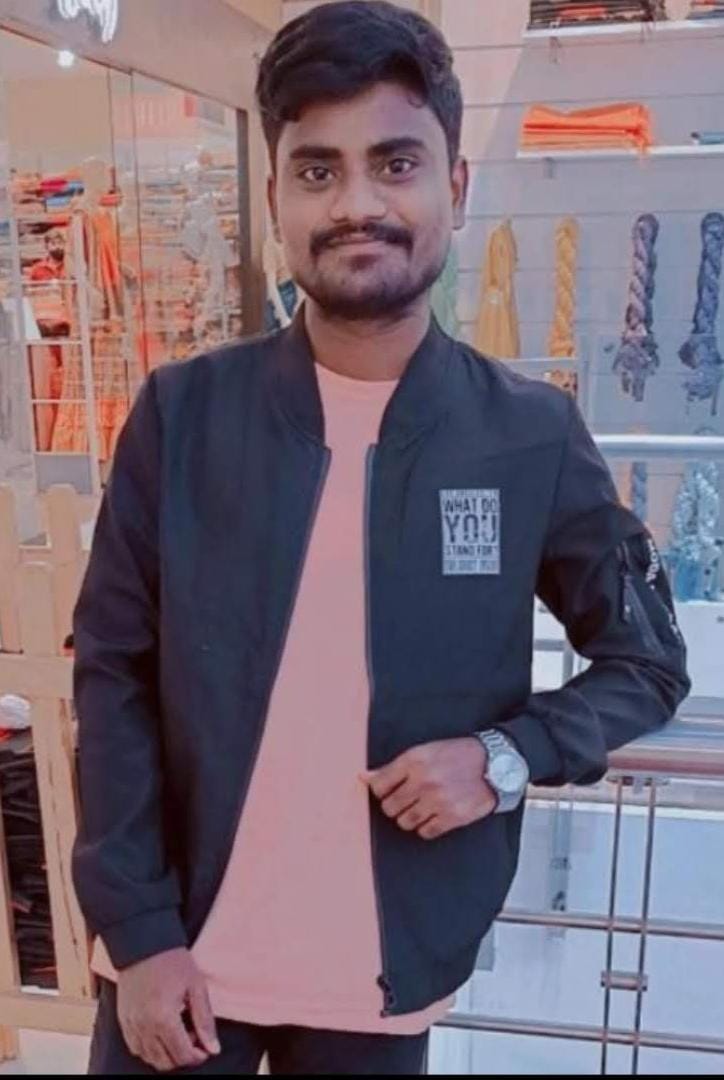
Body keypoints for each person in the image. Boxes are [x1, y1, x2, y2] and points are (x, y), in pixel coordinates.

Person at [72, 2, 690, 1075]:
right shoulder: (183, 415)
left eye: (395, 163)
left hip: (381, 979)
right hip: (177, 963)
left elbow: (647, 659)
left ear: (455, 186)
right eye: (317, 170)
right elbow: (112, 673)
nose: (357, 204)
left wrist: (504, 757)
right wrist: (138, 933)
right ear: (276, 197)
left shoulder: (528, 434)